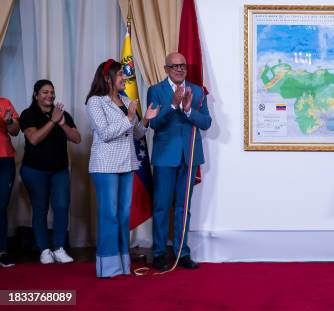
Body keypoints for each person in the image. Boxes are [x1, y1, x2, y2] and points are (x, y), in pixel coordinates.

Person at [86, 59, 158, 278]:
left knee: (123, 215)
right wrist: (128, 118)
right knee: (109, 215)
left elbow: (135, 134)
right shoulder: (95, 102)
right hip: (105, 165)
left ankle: (123, 264)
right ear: (107, 78)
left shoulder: (126, 99)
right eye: (120, 75)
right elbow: (106, 133)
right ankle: (108, 267)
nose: (124, 78)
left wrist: (144, 120)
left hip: (127, 163)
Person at [147, 52, 212, 271]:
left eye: (182, 65)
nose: (179, 69)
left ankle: (181, 252)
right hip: (165, 157)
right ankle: (158, 253)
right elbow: (153, 124)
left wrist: (187, 109)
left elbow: (206, 122)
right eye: (174, 66)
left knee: (184, 208)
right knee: (162, 207)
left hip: (190, 156)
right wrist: (173, 106)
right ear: (166, 69)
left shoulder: (198, 90)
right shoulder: (155, 90)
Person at [19, 80, 81, 264]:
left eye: (52, 92)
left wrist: (61, 123)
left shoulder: (62, 115)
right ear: (36, 95)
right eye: (45, 92)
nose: (50, 95)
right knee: (40, 209)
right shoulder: (28, 115)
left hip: (59, 170)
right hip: (34, 171)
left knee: (62, 207)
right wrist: (52, 121)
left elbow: (77, 138)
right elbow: (34, 139)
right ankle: (44, 250)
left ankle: (59, 248)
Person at [0, 97, 20, 267]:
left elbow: (15, 131)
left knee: (0, 206)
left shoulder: (4, 102)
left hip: (3, 160)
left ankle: (2, 251)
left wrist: (8, 122)